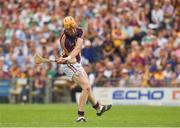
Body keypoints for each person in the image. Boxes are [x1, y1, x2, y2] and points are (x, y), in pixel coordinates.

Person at [56, 16, 112, 122]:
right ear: (65, 29)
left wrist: (69, 57)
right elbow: (71, 60)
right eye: (69, 28)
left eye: (73, 27)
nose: (72, 30)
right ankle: (80, 116)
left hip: (75, 61)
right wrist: (67, 58)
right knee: (86, 87)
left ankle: (98, 108)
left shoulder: (80, 30)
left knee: (88, 87)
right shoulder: (64, 40)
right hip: (68, 64)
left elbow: (78, 47)